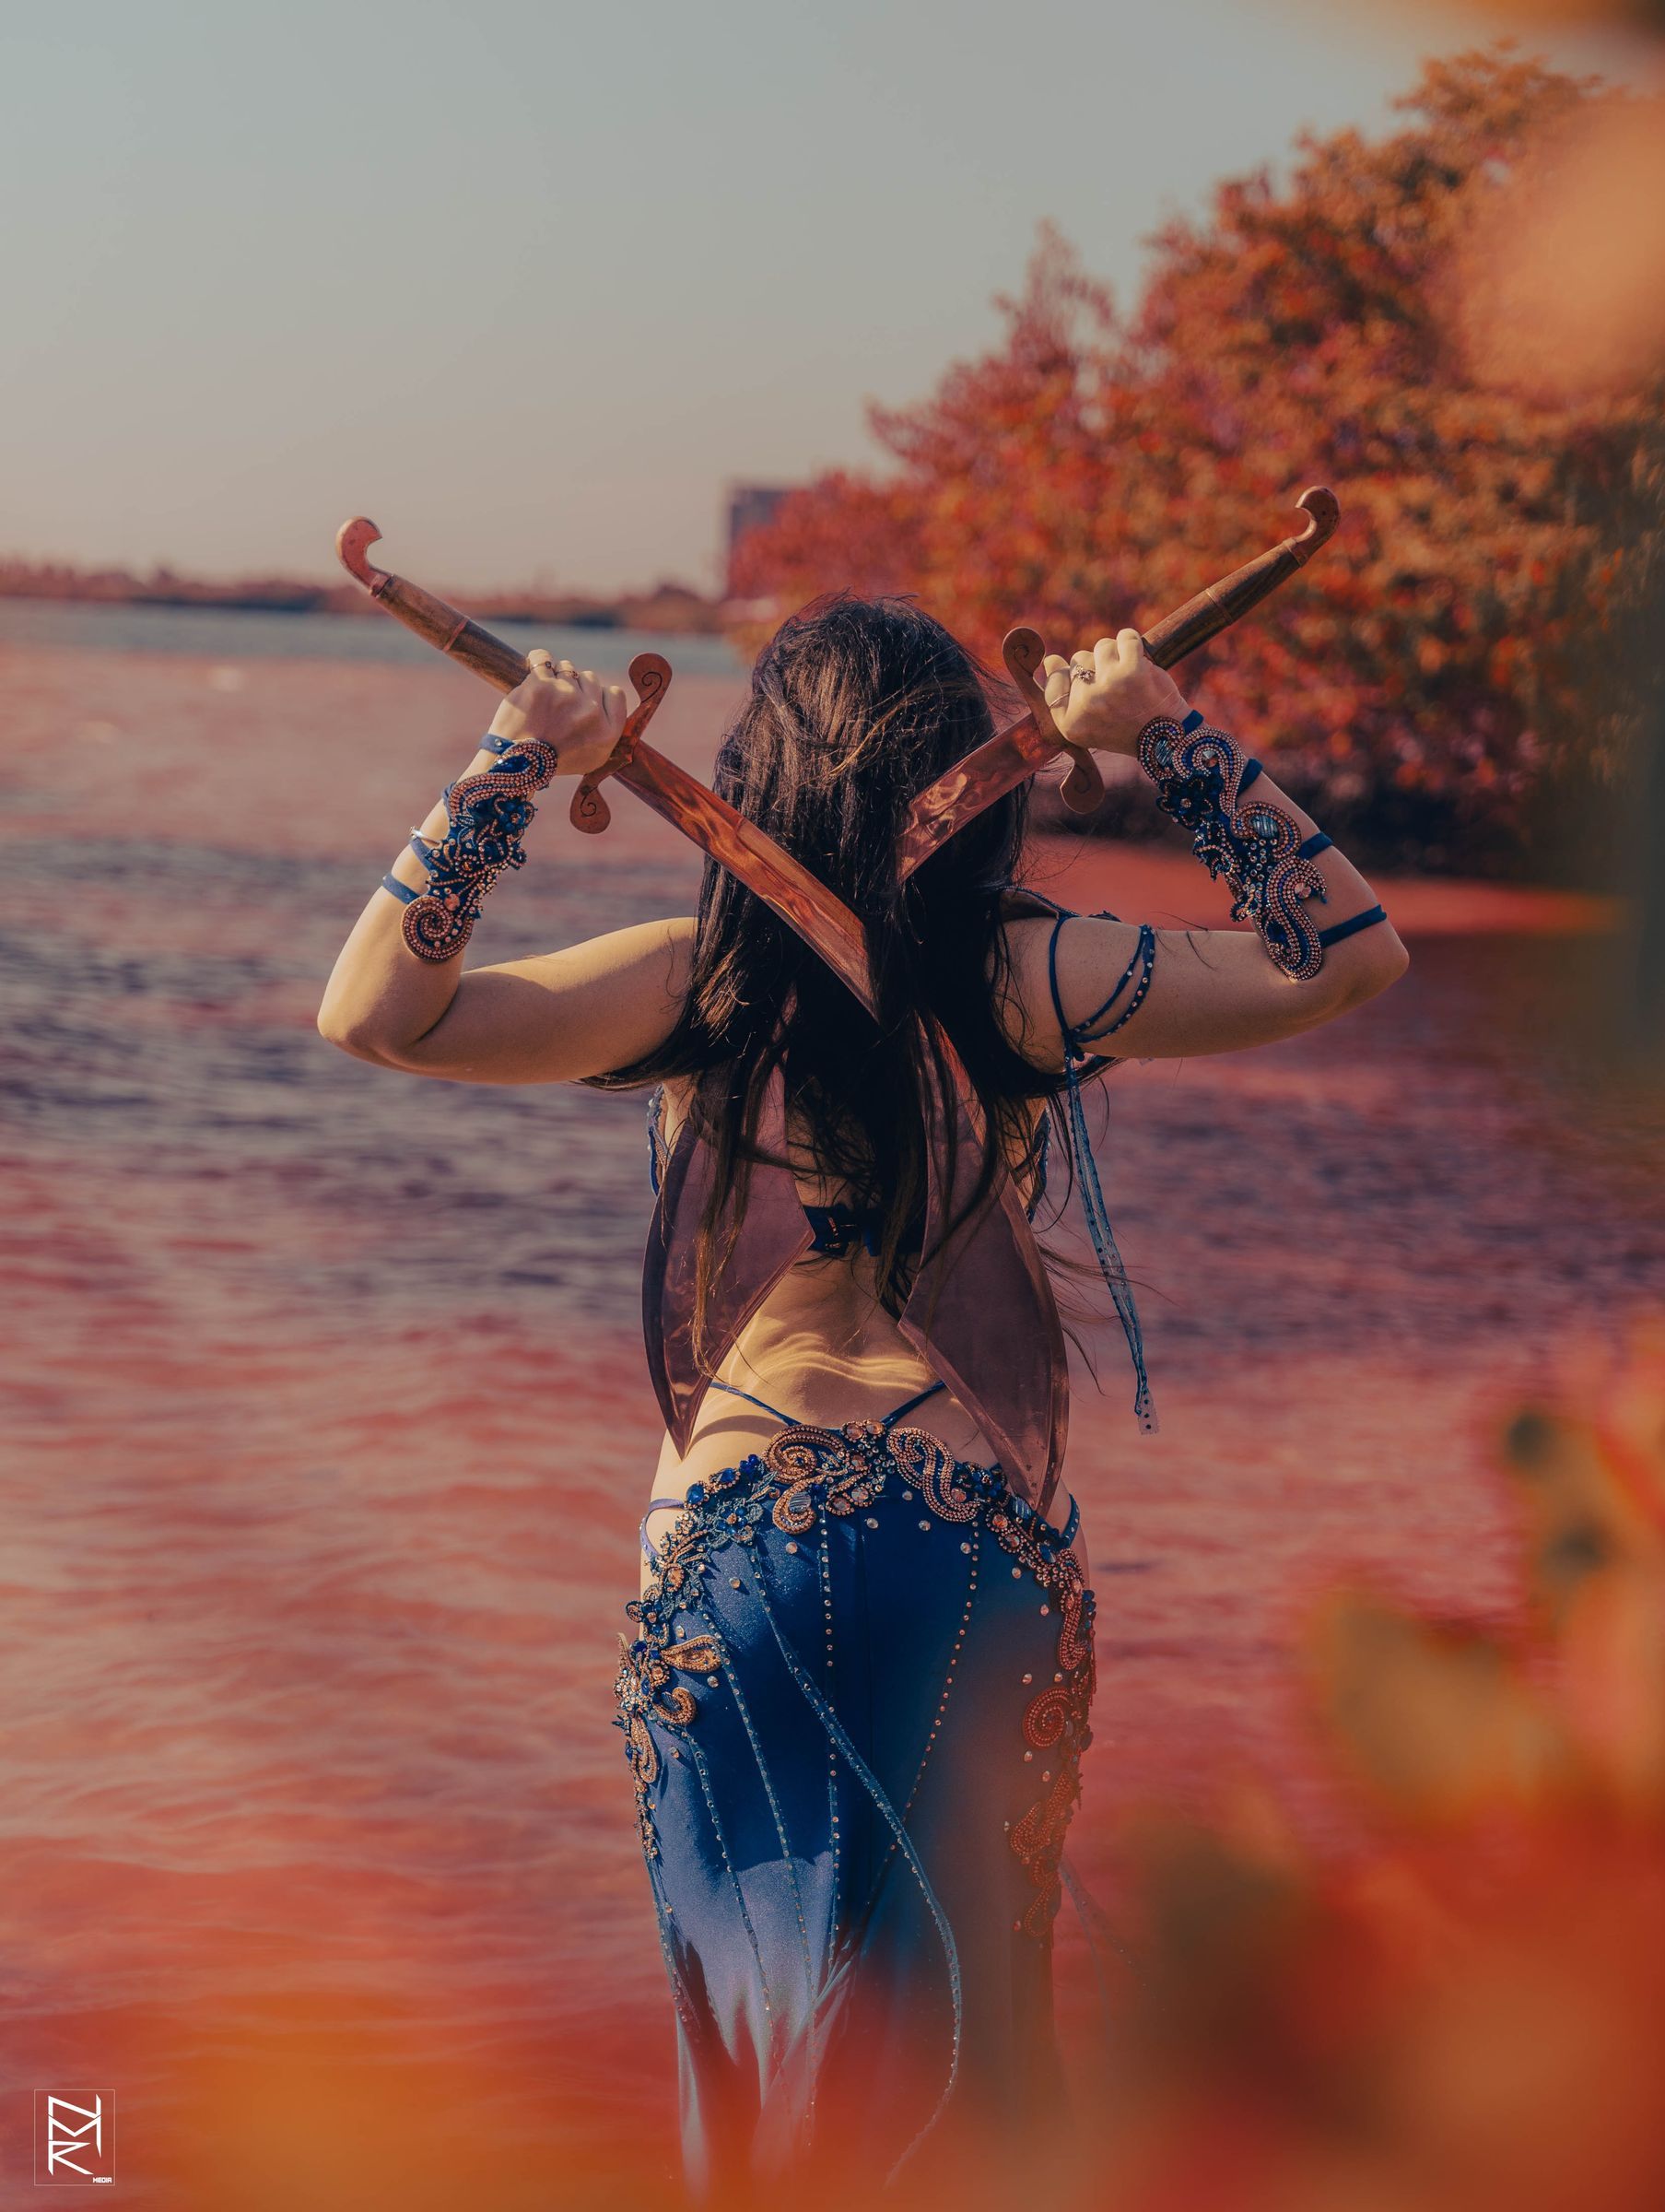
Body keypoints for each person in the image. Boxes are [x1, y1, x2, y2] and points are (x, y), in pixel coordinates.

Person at [317, 595, 1408, 2196]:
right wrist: (1165, 730)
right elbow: (1348, 959)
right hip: (969, 1549)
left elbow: (372, 1016)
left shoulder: (695, 979)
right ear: (972, 771)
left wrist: (517, 761)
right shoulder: (1032, 975)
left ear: (757, 770)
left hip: (738, 1548)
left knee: (759, 2035)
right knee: (970, 2049)